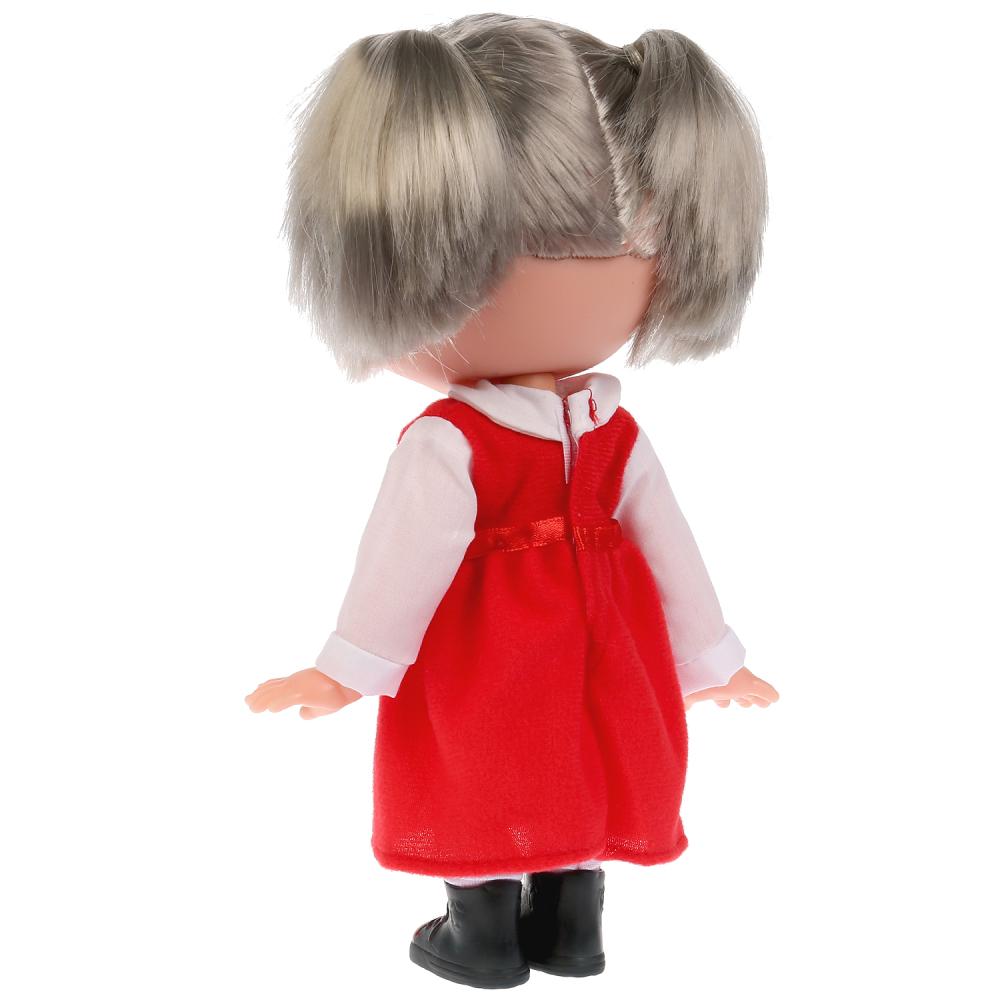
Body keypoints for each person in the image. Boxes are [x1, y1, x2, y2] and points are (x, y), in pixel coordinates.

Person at [246, 14, 779, 989]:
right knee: (585, 756)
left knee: (481, 766)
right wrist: (709, 655)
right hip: (602, 635)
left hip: (486, 645)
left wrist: (348, 667)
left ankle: (482, 934)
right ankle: (572, 924)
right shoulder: (610, 429)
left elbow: (404, 563)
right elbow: (667, 547)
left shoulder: (452, 440)